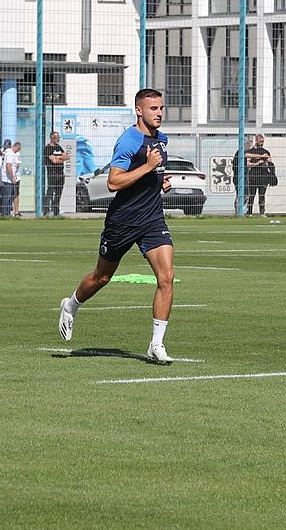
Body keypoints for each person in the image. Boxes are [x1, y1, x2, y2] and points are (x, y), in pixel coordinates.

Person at [57, 88, 176, 364]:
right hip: (122, 221)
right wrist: (148, 168)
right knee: (102, 277)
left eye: (161, 108)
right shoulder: (128, 140)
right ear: (138, 110)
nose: (158, 113)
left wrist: (161, 181)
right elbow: (113, 182)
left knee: (166, 278)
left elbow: (153, 174)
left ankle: (156, 345)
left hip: (152, 219)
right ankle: (71, 304)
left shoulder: (162, 139)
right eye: (153, 109)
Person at [43, 131, 70, 217]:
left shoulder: (59, 147)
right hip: (52, 173)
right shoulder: (47, 148)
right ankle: (46, 211)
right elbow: (53, 161)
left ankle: (56, 211)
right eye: (57, 138)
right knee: (50, 192)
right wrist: (60, 158)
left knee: (58, 193)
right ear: (53, 138)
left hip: (60, 173)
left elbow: (67, 157)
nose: (58, 139)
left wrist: (58, 158)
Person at [246, 133, 272, 216]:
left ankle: (262, 212)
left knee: (262, 196)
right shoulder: (251, 151)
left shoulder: (266, 151)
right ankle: (249, 212)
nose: (262, 143)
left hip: (263, 177)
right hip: (253, 176)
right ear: (256, 140)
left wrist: (266, 161)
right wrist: (257, 163)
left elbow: (270, 161)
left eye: (263, 141)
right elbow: (247, 163)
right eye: (260, 141)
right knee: (251, 195)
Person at [0, 141, 21, 217]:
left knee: (11, 195)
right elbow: (8, 165)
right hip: (7, 178)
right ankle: (4, 213)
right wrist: (13, 177)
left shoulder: (10, 152)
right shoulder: (9, 153)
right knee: (7, 195)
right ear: (17, 147)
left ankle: (8, 212)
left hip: (10, 177)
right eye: (18, 150)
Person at [232, 136, 253, 214]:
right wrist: (261, 156)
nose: (249, 146)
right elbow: (249, 155)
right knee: (241, 195)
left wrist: (256, 163)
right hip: (239, 177)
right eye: (249, 144)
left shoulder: (242, 154)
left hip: (243, 177)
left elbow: (247, 164)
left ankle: (241, 210)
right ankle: (238, 211)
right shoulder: (241, 152)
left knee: (246, 195)